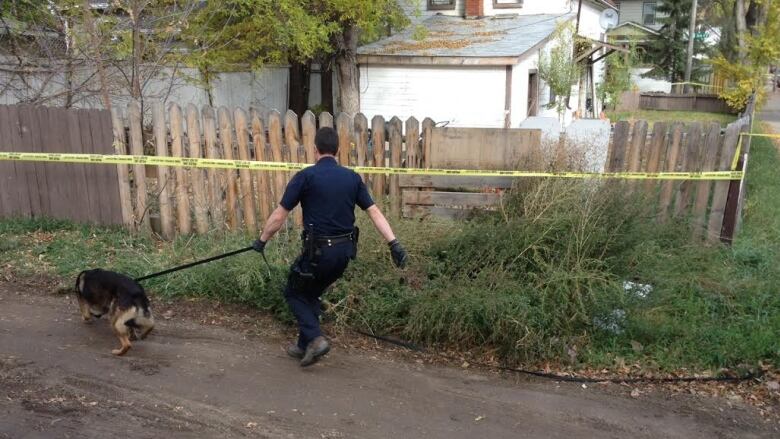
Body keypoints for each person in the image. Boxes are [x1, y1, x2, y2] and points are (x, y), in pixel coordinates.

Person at [252, 127, 407, 367]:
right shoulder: (352, 178)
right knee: (310, 293)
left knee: (293, 292)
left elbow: (279, 215)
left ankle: (315, 339)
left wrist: (262, 240)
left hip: (318, 253)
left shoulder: (306, 177)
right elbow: (374, 212)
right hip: (344, 254)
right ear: (337, 151)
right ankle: (303, 345)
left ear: (315, 150)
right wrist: (394, 243)